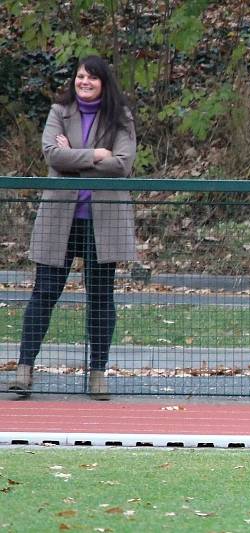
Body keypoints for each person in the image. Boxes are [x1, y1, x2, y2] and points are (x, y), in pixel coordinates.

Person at [7, 55, 137, 400]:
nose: (85, 82)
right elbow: (53, 155)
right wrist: (96, 154)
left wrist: (74, 157)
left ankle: (97, 374)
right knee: (44, 293)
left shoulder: (120, 116)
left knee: (100, 297)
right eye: (81, 76)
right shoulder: (59, 112)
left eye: (92, 78)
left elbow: (122, 164)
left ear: (103, 83)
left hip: (102, 221)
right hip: (58, 220)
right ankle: (24, 370)